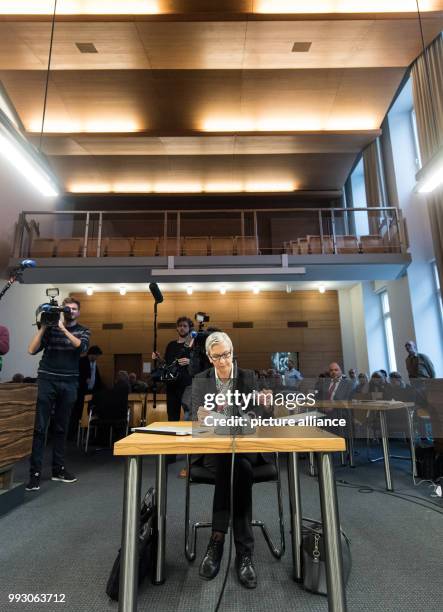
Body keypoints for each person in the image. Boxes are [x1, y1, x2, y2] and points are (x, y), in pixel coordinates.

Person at [192, 331, 273, 589]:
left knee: (237, 462)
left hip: (245, 448)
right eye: (217, 357)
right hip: (213, 454)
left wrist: (265, 405)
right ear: (208, 357)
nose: (224, 361)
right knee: (238, 467)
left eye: (227, 355)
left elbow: (258, 414)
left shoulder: (247, 376)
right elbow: (189, 416)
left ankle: (216, 540)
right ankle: (244, 552)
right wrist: (197, 413)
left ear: (232, 351)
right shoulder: (201, 380)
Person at [26, 297, 90, 491]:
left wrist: (62, 329)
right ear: (62, 310)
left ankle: (58, 469)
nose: (70, 311)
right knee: (40, 428)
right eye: (67, 308)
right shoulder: (50, 327)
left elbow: (82, 349)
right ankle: (34, 474)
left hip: (69, 381)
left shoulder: (84, 331)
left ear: (78, 312)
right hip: (47, 379)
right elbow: (31, 350)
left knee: (62, 427)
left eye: (74, 309)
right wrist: (44, 327)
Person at [152, 316, 193, 422]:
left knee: (189, 416)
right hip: (171, 386)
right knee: (172, 417)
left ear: (189, 328)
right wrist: (158, 358)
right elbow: (167, 365)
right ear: (177, 328)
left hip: (187, 386)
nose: (182, 328)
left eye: (185, 326)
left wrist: (190, 361)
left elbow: (201, 363)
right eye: (180, 326)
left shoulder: (193, 344)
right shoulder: (171, 345)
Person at [68, 345, 103, 439]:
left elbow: (97, 379)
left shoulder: (94, 364)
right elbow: (77, 375)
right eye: (96, 356)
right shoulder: (82, 361)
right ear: (92, 354)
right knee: (77, 414)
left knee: (86, 414)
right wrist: (84, 380)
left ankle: (85, 434)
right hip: (81, 392)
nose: (97, 358)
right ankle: (72, 435)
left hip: (90, 392)